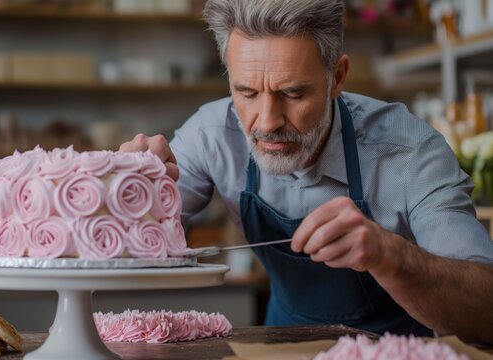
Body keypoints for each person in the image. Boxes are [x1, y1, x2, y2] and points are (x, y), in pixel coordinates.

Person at [120, 0, 493, 344]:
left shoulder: (409, 151)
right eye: (247, 93)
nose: (267, 122)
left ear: (338, 77)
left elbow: (486, 311)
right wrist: (119, 189)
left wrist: (390, 256)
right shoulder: (212, 136)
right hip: (282, 345)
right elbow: (123, 245)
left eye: (293, 94)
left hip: (398, 350)